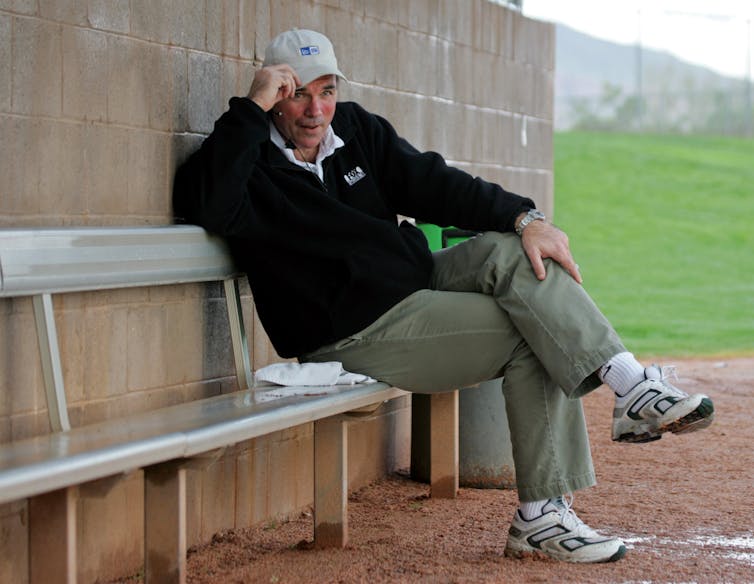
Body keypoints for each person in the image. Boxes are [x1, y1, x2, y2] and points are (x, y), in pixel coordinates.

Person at [173, 29, 714, 563]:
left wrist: (526, 217)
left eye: (327, 91)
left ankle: (630, 385)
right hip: (353, 329)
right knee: (535, 333)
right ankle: (543, 516)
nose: (316, 110)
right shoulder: (246, 163)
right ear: (273, 98)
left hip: (415, 283)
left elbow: (432, 182)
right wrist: (249, 107)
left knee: (518, 251)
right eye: (297, 94)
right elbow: (208, 204)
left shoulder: (356, 130)